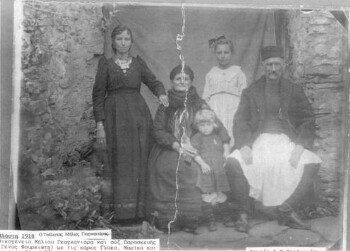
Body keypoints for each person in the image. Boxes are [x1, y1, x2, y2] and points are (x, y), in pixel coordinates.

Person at [225, 46, 322, 232]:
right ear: (263, 66)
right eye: (269, 64)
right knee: (232, 161)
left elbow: (308, 119)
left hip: (286, 141)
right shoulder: (251, 91)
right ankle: (243, 214)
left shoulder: (294, 90)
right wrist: (244, 144)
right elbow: (240, 120)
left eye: (277, 64)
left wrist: (300, 145)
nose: (273, 69)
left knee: (312, 162)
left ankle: (287, 209)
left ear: (283, 65)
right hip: (258, 141)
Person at [92, 25, 169, 221]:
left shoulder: (138, 63)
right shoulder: (106, 65)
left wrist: (161, 94)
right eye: (119, 39)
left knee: (138, 159)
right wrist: (100, 125)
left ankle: (139, 212)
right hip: (114, 118)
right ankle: (118, 213)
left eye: (127, 39)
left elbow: (153, 82)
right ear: (113, 42)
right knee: (118, 161)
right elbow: (98, 95)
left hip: (138, 117)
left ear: (131, 42)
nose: (123, 43)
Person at [148, 64, 230, 233]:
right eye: (178, 79)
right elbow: (158, 130)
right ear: (172, 82)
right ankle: (170, 218)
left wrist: (227, 144)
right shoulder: (166, 103)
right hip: (170, 146)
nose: (182, 81)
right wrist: (177, 145)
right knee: (169, 167)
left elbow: (217, 125)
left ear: (191, 81)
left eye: (186, 79)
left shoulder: (199, 103)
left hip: (195, 147)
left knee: (191, 168)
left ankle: (190, 217)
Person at [202, 35, 247, 148]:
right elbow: (206, 96)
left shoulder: (238, 73)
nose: (222, 56)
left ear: (231, 53)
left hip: (233, 107)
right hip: (215, 107)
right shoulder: (211, 73)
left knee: (231, 130)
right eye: (219, 52)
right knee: (217, 130)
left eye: (226, 52)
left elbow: (244, 94)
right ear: (215, 54)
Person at [191, 109, 231, 232]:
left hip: (218, 171)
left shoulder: (217, 137)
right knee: (207, 195)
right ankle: (210, 221)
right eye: (202, 125)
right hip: (206, 170)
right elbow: (193, 152)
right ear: (197, 126)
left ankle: (226, 218)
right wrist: (202, 164)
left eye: (208, 124)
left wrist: (224, 158)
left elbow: (221, 152)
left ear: (214, 124)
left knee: (220, 194)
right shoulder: (197, 137)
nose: (205, 128)